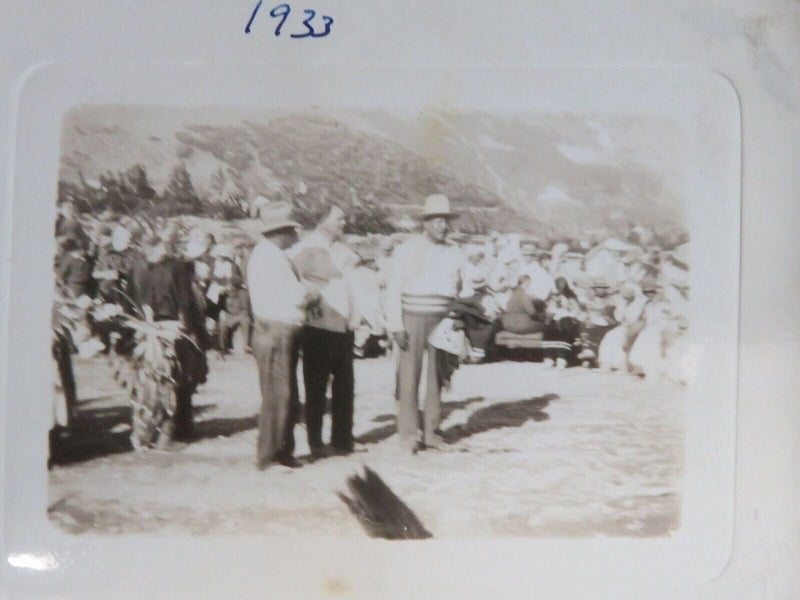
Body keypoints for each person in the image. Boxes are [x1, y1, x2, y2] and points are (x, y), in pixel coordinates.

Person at [386, 194, 463, 453]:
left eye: (446, 221)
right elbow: (393, 288)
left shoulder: (454, 251)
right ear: (426, 223)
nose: (443, 226)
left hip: (442, 320)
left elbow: (463, 285)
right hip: (413, 317)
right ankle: (409, 435)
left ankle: (431, 432)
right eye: (438, 221)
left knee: (437, 376)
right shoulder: (407, 249)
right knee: (409, 376)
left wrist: (458, 316)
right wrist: (396, 325)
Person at [247, 202, 318, 470]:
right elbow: (295, 296)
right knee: (278, 394)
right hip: (275, 331)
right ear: (282, 231)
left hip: (278, 330)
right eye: (293, 231)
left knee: (283, 392)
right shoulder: (270, 257)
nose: (296, 236)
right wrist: (312, 294)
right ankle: (270, 455)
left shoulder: (270, 254)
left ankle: (282, 451)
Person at [288, 206, 359, 456]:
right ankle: (315, 443)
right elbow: (291, 280)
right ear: (322, 220)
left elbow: (351, 287)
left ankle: (342, 441)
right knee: (316, 388)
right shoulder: (304, 249)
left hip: (343, 326)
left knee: (345, 387)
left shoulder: (343, 250)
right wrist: (309, 297)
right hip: (317, 327)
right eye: (339, 218)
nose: (344, 222)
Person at [126, 230, 208, 447]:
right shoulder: (177, 268)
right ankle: (173, 432)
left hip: (150, 328)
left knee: (153, 381)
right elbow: (185, 301)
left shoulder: (144, 268)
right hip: (172, 329)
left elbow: (140, 301)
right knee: (177, 380)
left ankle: (150, 432)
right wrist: (188, 327)